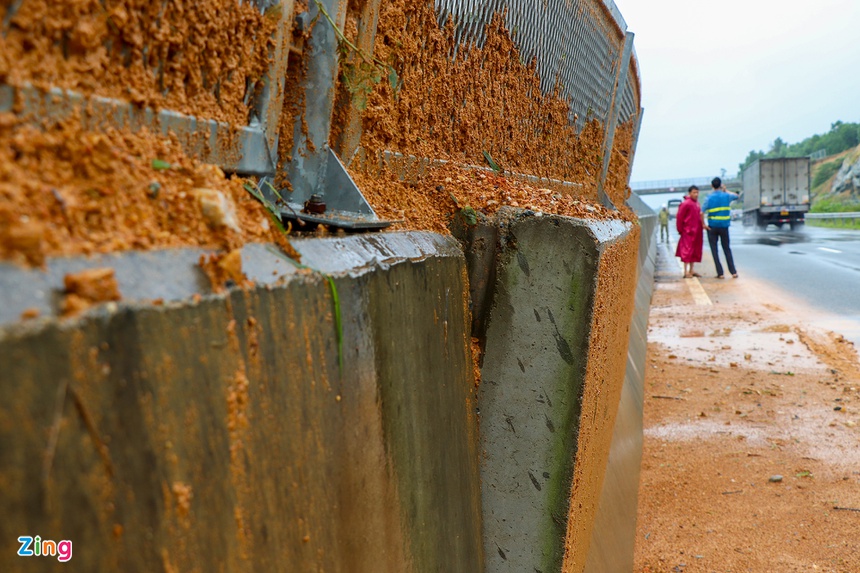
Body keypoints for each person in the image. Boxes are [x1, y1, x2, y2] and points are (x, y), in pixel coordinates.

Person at [702, 177, 739, 279]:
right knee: (726, 249)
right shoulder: (726, 196)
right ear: (721, 185)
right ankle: (733, 272)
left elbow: (702, 211)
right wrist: (725, 190)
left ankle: (720, 273)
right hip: (724, 227)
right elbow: (737, 196)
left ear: (712, 186)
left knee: (714, 251)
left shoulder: (708, 198)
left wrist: (703, 224)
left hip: (712, 227)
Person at [675, 185, 703, 278]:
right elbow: (679, 217)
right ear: (690, 193)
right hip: (688, 231)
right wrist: (680, 229)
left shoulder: (697, 204)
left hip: (697, 231)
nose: (696, 194)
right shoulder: (686, 204)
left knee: (695, 250)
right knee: (687, 250)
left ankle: (691, 270)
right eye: (694, 192)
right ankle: (685, 271)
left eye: (697, 192)